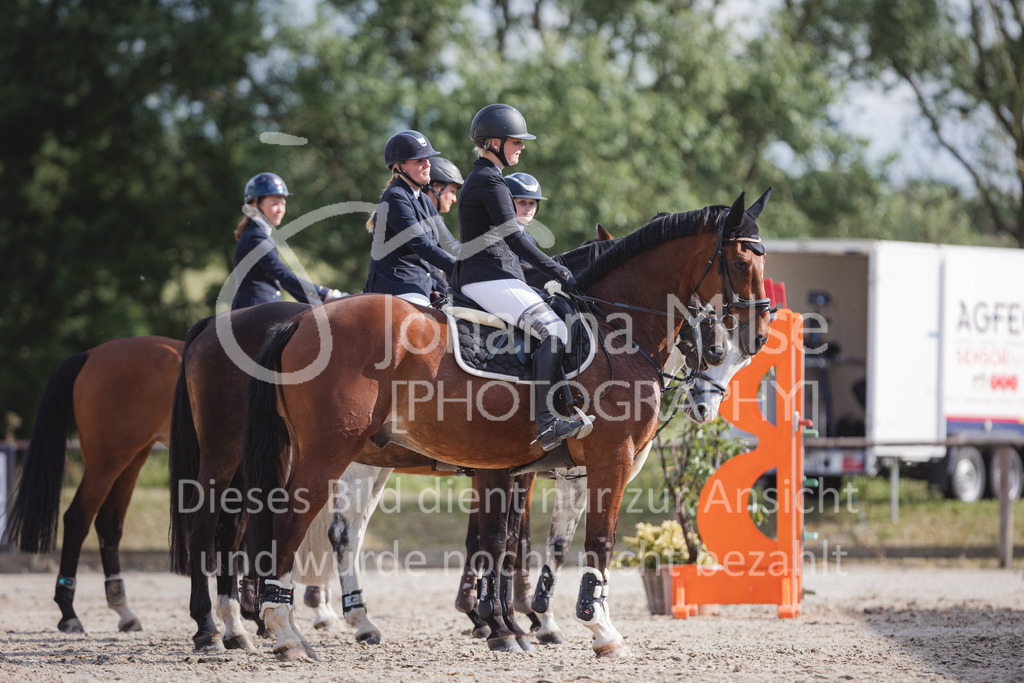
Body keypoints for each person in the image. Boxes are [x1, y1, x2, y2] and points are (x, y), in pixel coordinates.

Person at [453, 104, 588, 452]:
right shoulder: (489, 180)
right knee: (554, 329)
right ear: (494, 142)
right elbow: (514, 237)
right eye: (516, 141)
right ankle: (546, 422)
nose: (522, 147)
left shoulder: (485, 177)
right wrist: (557, 270)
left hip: (493, 275)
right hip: (488, 277)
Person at [363, 131, 460, 307]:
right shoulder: (395, 198)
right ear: (401, 167)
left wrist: (478, 259)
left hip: (419, 286)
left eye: (428, 159)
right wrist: (462, 268)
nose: (427, 165)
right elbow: (423, 246)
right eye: (419, 161)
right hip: (397, 287)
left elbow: (449, 243)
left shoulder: (423, 199)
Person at [232, 172, 342, 310]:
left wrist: (317, 304)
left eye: (283, 204)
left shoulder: (259, 234)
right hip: (255, 311)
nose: (280, 210)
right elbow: (284, 275)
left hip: (264, 308)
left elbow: (285, 282)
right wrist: (327, 295)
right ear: (255, 205)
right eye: (275, 204)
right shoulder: (256, 238)